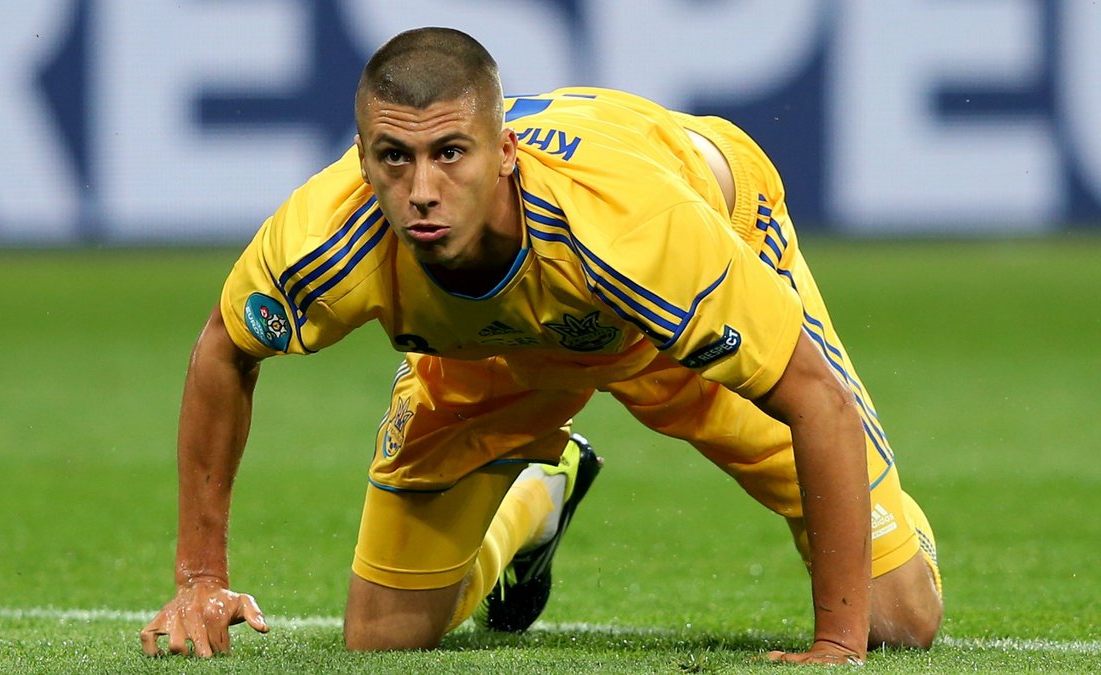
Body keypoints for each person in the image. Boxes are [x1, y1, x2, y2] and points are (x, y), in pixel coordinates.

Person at [139, 27, 943, 665]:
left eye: (450, 153)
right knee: (382, 635)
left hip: (669, 309)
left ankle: (897, 535)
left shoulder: (636, 232)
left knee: (897, 617)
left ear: (506, 154)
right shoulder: (324, 235)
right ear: (362, 158)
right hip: (492, 351)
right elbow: (224, 349)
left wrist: (836, 644)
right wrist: (201, 577)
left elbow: (813, 398)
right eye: (394, 158)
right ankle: (536, 497)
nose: (422, 191)